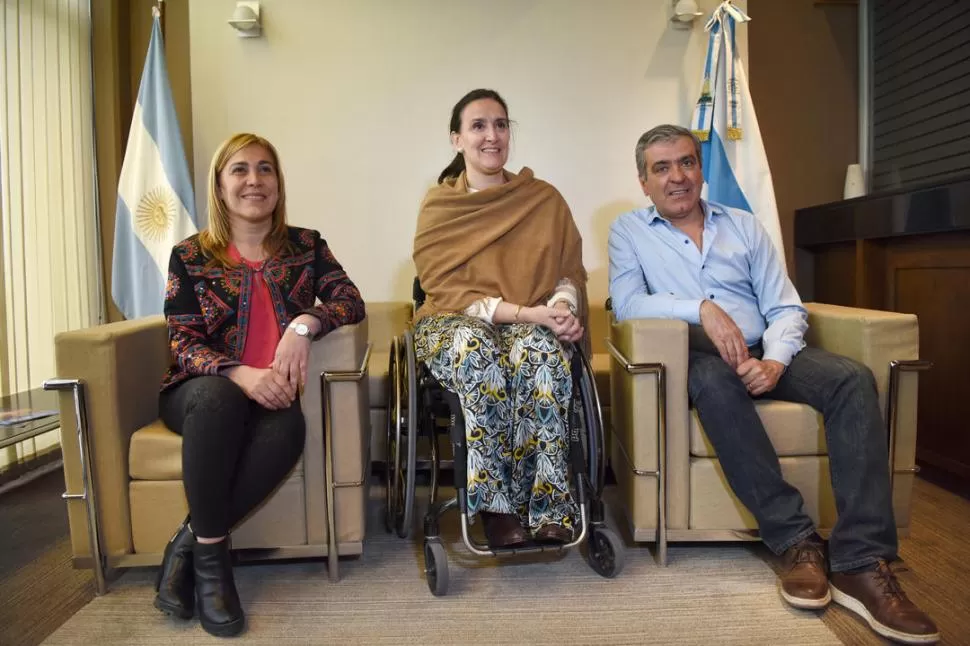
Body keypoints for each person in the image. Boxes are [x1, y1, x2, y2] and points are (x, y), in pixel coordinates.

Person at [608, 124, 938, 645]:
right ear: (644, 181)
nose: (678, 177)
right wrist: (700, 308)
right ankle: (797, 541)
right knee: (716, 384)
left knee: (852, 379)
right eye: (662, 168)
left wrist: (777, 363)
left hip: (769, 349)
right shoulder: (629, 232)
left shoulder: (743, 225)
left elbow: (784, 305)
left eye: (687, 163)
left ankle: (859, 561)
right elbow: (628, 305)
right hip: (696, 355)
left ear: (700, 168)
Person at [153, 133, 365, 637]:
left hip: (272, 400)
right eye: (240, 170)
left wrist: (302, 326)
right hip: (198, 394)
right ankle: (212, 568)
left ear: (278, 182)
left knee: (289, 430)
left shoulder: (307, 246)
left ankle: (187, 543)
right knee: (218, 395)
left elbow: (348, 299)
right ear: (221, 185)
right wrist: (240, 373)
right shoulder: (190, 255)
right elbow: (181, 340)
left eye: (265, 169)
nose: (254, 180)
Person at [412, 88, 588, 548]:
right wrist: (527, 311)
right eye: (478, 126)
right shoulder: (439, 207)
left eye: (501, 124)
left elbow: (568, 272)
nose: (492, 135)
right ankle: (495, 507)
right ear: (456, 140)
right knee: (477, 347)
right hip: (452, 322)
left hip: (530, 325)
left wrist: (564, 309)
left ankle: (549, 506)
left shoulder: (543, 200)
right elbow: (442, 287)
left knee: (542, 348)